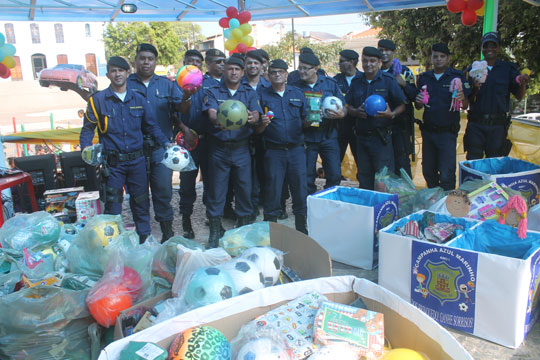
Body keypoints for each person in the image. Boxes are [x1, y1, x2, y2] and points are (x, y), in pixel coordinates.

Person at [80, 56, 170, 242]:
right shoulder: (98, 101)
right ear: (108, 75)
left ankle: (144, 239)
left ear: (128, 73)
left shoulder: (138, 98)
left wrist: (166, 144)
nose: (117, 74)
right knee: (113, 205)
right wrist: (86, 150)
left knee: (141, 202)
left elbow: (151, 126)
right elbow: (87, 129)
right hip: (112, 165)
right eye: (113, 70)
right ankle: (112, 244)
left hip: (137, 162)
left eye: (121, 70)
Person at [127, 43, 194, 243]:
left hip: (161, 149)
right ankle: (143, 235)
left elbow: (181, 109)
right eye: (142, 58)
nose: (146, 62)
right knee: (138, 195)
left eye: (150, 58)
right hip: (135, 150)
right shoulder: (126, 83)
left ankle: (167, 233)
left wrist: (187, 97)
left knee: (163, 191)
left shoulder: (166, 84)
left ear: (156, 61)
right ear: (135, 61)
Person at [203, 56, 262, 248]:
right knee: (217, 190)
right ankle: (214, 231)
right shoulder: (213, 91)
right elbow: (211, 112)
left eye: (238, 69)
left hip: (241, 148)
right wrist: (216, 118)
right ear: (224, 71)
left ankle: (243, 231)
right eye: (230, 69)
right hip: (218, 149)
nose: (234, 72)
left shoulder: (249, 92)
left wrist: (254, 117)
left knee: (244, 188)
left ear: (243, 72)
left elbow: (256, 113)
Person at [257, 59, 309, 233]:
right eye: (273, 72)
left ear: (287, 74)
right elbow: (256, 129)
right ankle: (269, 233)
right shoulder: (262, 95)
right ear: (268, 75)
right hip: (274, 151)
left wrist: (315, 118)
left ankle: (302, 231)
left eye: (281, 71)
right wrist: (262, 124)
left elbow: (305, 119)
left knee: (300, 191)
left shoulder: (297, 93)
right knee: (272, 192)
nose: (277, 74)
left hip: (296, 150)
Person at [346, 47, 406, 190]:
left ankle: (384, 211)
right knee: (364, 177)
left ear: (379, 62)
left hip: (381, 139)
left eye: (372, 61)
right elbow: (347, 105)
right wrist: (355, 112)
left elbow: (402, 105)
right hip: (361, 138)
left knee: (383, 180)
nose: (368, 64)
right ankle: (368, 210)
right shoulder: (356, 81)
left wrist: (391, 114)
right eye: (365, 61)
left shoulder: (388, 81)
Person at [464, 32, 529, 160]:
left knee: (495, 163)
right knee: (473, 162)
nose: (489, 49)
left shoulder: (508, 69)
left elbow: (519, 97)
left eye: (493, 46)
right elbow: (466, 99)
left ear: (498, 48)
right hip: (476, 125)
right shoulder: (473, 69)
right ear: (482, 48)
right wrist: (475, 89)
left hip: (498, 127)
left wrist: (522, 84)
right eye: (486, 46)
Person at [289, 52, 346, 195]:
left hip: (328, 136)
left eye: (305, 68)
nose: (301, 72)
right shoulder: (294, 87)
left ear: (315, 69)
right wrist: (304, 122)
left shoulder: (329, 84)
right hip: (307, 138)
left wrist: (341, 114)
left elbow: (344, 106)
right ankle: (310, 202)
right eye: (299, 68)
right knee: (307, 176)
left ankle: (328, 199)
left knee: (334, 173)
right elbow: (292, 116)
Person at [415, 43, 470, 190]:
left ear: (448, 58)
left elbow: (465, 105)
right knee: (428, 171)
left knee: (446, 174)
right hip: (428, 133)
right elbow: (418, 106)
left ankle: (447, 207)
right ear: (431, 58)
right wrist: (418, 101)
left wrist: (462, 97)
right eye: (435, 56)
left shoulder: (457, 77)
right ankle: (434, 203)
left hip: (447, 134)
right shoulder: (423, 77)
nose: (438, 59)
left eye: (442, 56)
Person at [178, 49, 209, 239]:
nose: (194, 64)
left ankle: (211, 217)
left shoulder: (209, 85)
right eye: (190, 61)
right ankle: (186, 220)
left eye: (198, 61)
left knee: (211, 183)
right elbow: (172, 112)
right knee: (187, 184)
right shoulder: (176, 86)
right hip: (187, 143)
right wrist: (184, 129)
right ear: (184, 62)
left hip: (208, 141)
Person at [378, 39, 417, 177]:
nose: (383, 53)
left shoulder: (404, 72)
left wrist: (404, 84)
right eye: (380, 50)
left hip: (401, 124)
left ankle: (406, 195)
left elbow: (415, 97)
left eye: (387, 50)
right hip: (382, 124)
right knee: (385, 163)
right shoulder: (377, 72)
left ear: (393, 52)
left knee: (402, 162)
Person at [243, 50, 270, 221]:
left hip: (267, 136)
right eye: (249, 63)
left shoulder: (269, 85)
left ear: (262, 66)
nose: (253, 66)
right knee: (248, 174)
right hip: (245, 136)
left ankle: (269, 204)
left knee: (267, 171)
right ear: (244, 65)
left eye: (256, 63)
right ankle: (251, 207)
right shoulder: (237, 83)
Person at [334, 49, 362, 177]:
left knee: (362, 164)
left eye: (341, 61)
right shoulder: (335, 81)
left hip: (359, 128)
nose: (339, 64)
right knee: (335, 162)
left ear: (351, 62)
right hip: (340, 127)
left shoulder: (363, 79)